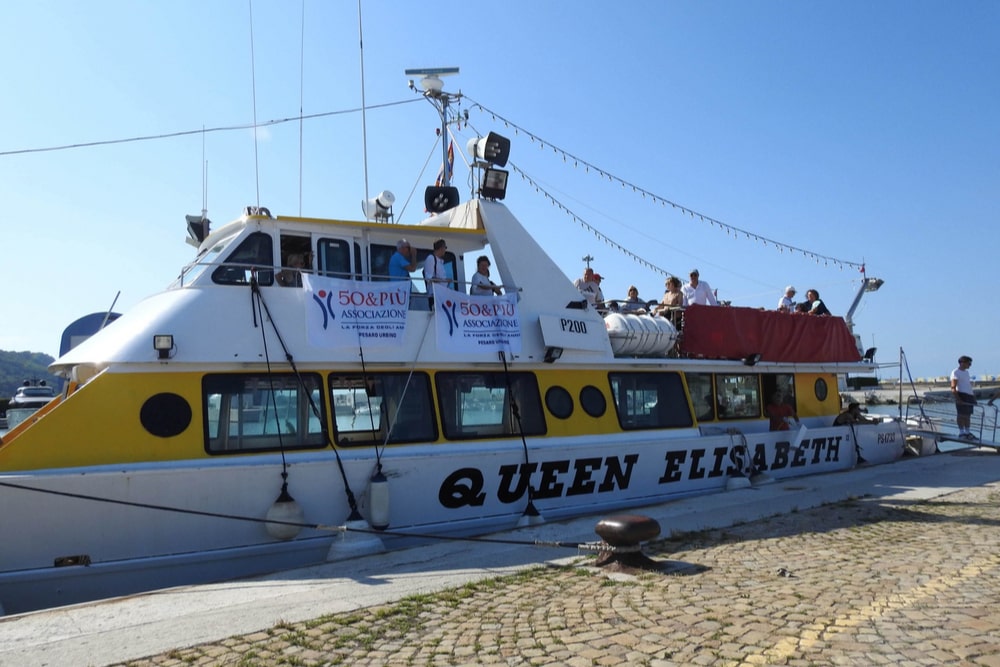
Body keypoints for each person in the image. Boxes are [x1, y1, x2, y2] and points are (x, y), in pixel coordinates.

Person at [950, 355, 977, 439]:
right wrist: (958, 398)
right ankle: (961, 432)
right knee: (961, 415)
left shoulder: (966, 372)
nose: (970, 365)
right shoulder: (956, 372)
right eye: (969, 363)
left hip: (969, 396)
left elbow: (967, 385)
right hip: (961, 395)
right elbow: (953, 387)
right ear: (962, 363)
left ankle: (967, 432)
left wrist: (973, 398)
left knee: (968, 415)